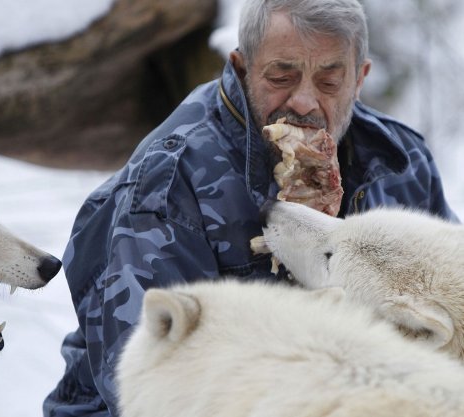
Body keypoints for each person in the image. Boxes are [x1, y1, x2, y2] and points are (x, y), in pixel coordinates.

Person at [44, 0, 458, 415]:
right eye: (282, 75)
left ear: (359, 78)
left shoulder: (402, 161)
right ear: (242, 69)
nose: (304, 102)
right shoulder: (165, 185)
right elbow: (150, 381)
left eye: (330, 81)